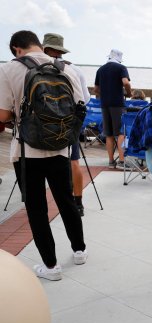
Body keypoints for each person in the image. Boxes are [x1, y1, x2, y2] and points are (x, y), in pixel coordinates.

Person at [0, 30, 88, 280]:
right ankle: (79, 250)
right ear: (39, 44)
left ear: (17, 48)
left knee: (36, 208)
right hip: (60, 146)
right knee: (66, 201)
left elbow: (3, 116)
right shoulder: (66, 68)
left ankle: (51, 267)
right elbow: (80, 105)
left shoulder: (9, 69)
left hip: (27, 151)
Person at [42, 32, 90, 217]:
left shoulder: (36, 68)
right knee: (74, 162)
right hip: (68, 123)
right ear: (61, 51)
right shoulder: (74, 69)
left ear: (45, 48)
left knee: (42, 163)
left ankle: (40, 204)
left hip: (43, 125)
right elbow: (84, 99)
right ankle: (78, 203)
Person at [94, 48, 132, 169]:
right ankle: (121, 162)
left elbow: (95, 89)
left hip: (104, 104)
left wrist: (104, 94)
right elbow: (126, 82)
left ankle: (111, 162)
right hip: (117, 104)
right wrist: (129, 93)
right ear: (120, 59)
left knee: (109, 134)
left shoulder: (100, 69)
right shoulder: (121, 68)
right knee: (121, 132)